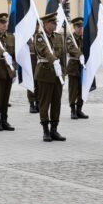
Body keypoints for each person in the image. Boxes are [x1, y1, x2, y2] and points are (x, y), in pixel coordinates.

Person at [34, 12, 66, 142]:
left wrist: (63, 72)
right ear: (45, 24)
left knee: (56, 103)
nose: (55, 25)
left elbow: (63, 54)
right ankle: (45, 130)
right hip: (44, 73)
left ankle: (54, 129)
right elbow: (44, 51)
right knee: (44, 102)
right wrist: (54, 61)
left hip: (57, 74)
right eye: (52, 23)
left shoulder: (59, 37)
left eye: (56, 23)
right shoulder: (39, 37)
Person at [67, 17, 88, 119]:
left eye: (81, 27)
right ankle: (72, 110)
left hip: (83, 67)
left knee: (82, 89)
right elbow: (71, 48)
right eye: (78, 27)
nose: (80, 29)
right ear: (74, 27)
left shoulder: (84, 38)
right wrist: (80, 55)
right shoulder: (70, 38)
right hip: (73, 66)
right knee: (73, 90)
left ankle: (79, 109)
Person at [27, 23, 39, 114]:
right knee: (31, 83)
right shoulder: (27, 35)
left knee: (39, 82)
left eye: (37, 25)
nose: (36, 27)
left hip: (39, 60)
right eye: (34, 25)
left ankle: (38, 102)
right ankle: (31, 103)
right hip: (30, 60)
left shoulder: (41, 36)